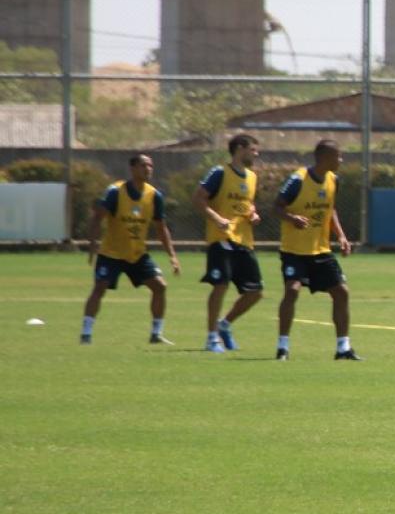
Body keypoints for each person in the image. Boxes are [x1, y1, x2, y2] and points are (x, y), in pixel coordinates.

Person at [80, 153, 181, 344]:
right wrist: (92, 244)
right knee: (99, 288)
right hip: (111, 253)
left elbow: (161, 228)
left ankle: (156, 334)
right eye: (144, 166)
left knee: (160, 286)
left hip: (137, 254)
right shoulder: (115, 192)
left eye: (150, 166)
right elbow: (97, 217)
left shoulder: (154, 195)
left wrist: (172, 256)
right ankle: (86, 333)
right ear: (133, 168)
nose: (148, 169)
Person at [273, 138, 358, 361]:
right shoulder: (298, 180)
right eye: (337, 156)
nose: (340, 160)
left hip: (320, 250)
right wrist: (292, 218)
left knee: (341, 292)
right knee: (292, 290)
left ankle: (343, 348)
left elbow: (331, 210)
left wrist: (340, 236)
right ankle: (283, 347)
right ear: (323, 158)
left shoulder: (333, 180)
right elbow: (276, 206)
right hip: (294, 250)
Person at [193, 133, 263, 353]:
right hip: (221, 238)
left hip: (244, 240)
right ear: (240, 148)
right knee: (220, 285)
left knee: (255, 292)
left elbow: (247, 204)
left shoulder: (252, 177)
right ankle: (211, 336)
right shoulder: (219, 173)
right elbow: (198, 198)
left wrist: (253, 214)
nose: (256, 153)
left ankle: (225, 324)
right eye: (253, 149)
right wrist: (217, 219)